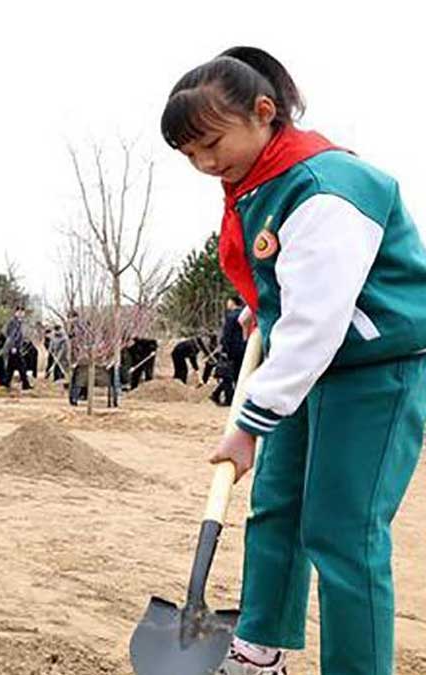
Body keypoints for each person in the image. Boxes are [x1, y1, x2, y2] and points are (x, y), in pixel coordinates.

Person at [164, 46, 426, 675]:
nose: (204, 163)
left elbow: (319, 320)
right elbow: (296, 287)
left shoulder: (325, 185)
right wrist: (265, 308)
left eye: (211, 143)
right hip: (310, 364)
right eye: (190, 155)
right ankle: (259, 647)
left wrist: (249, 423)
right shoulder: (258, 180)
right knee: (277, 505)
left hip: (374, 369)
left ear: (264, 112)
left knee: (343, 532)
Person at [3, 306, 32, 391]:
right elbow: (11, 335)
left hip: (17, 347)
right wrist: (13, 347)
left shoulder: (19, 322)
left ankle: (6, 383)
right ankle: (25, 384)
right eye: (20, 312)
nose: (22, 314)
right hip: (14, 347)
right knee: (21, 366)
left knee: (11, 367)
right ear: (16, 312)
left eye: (23, 312)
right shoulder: (13, 322)